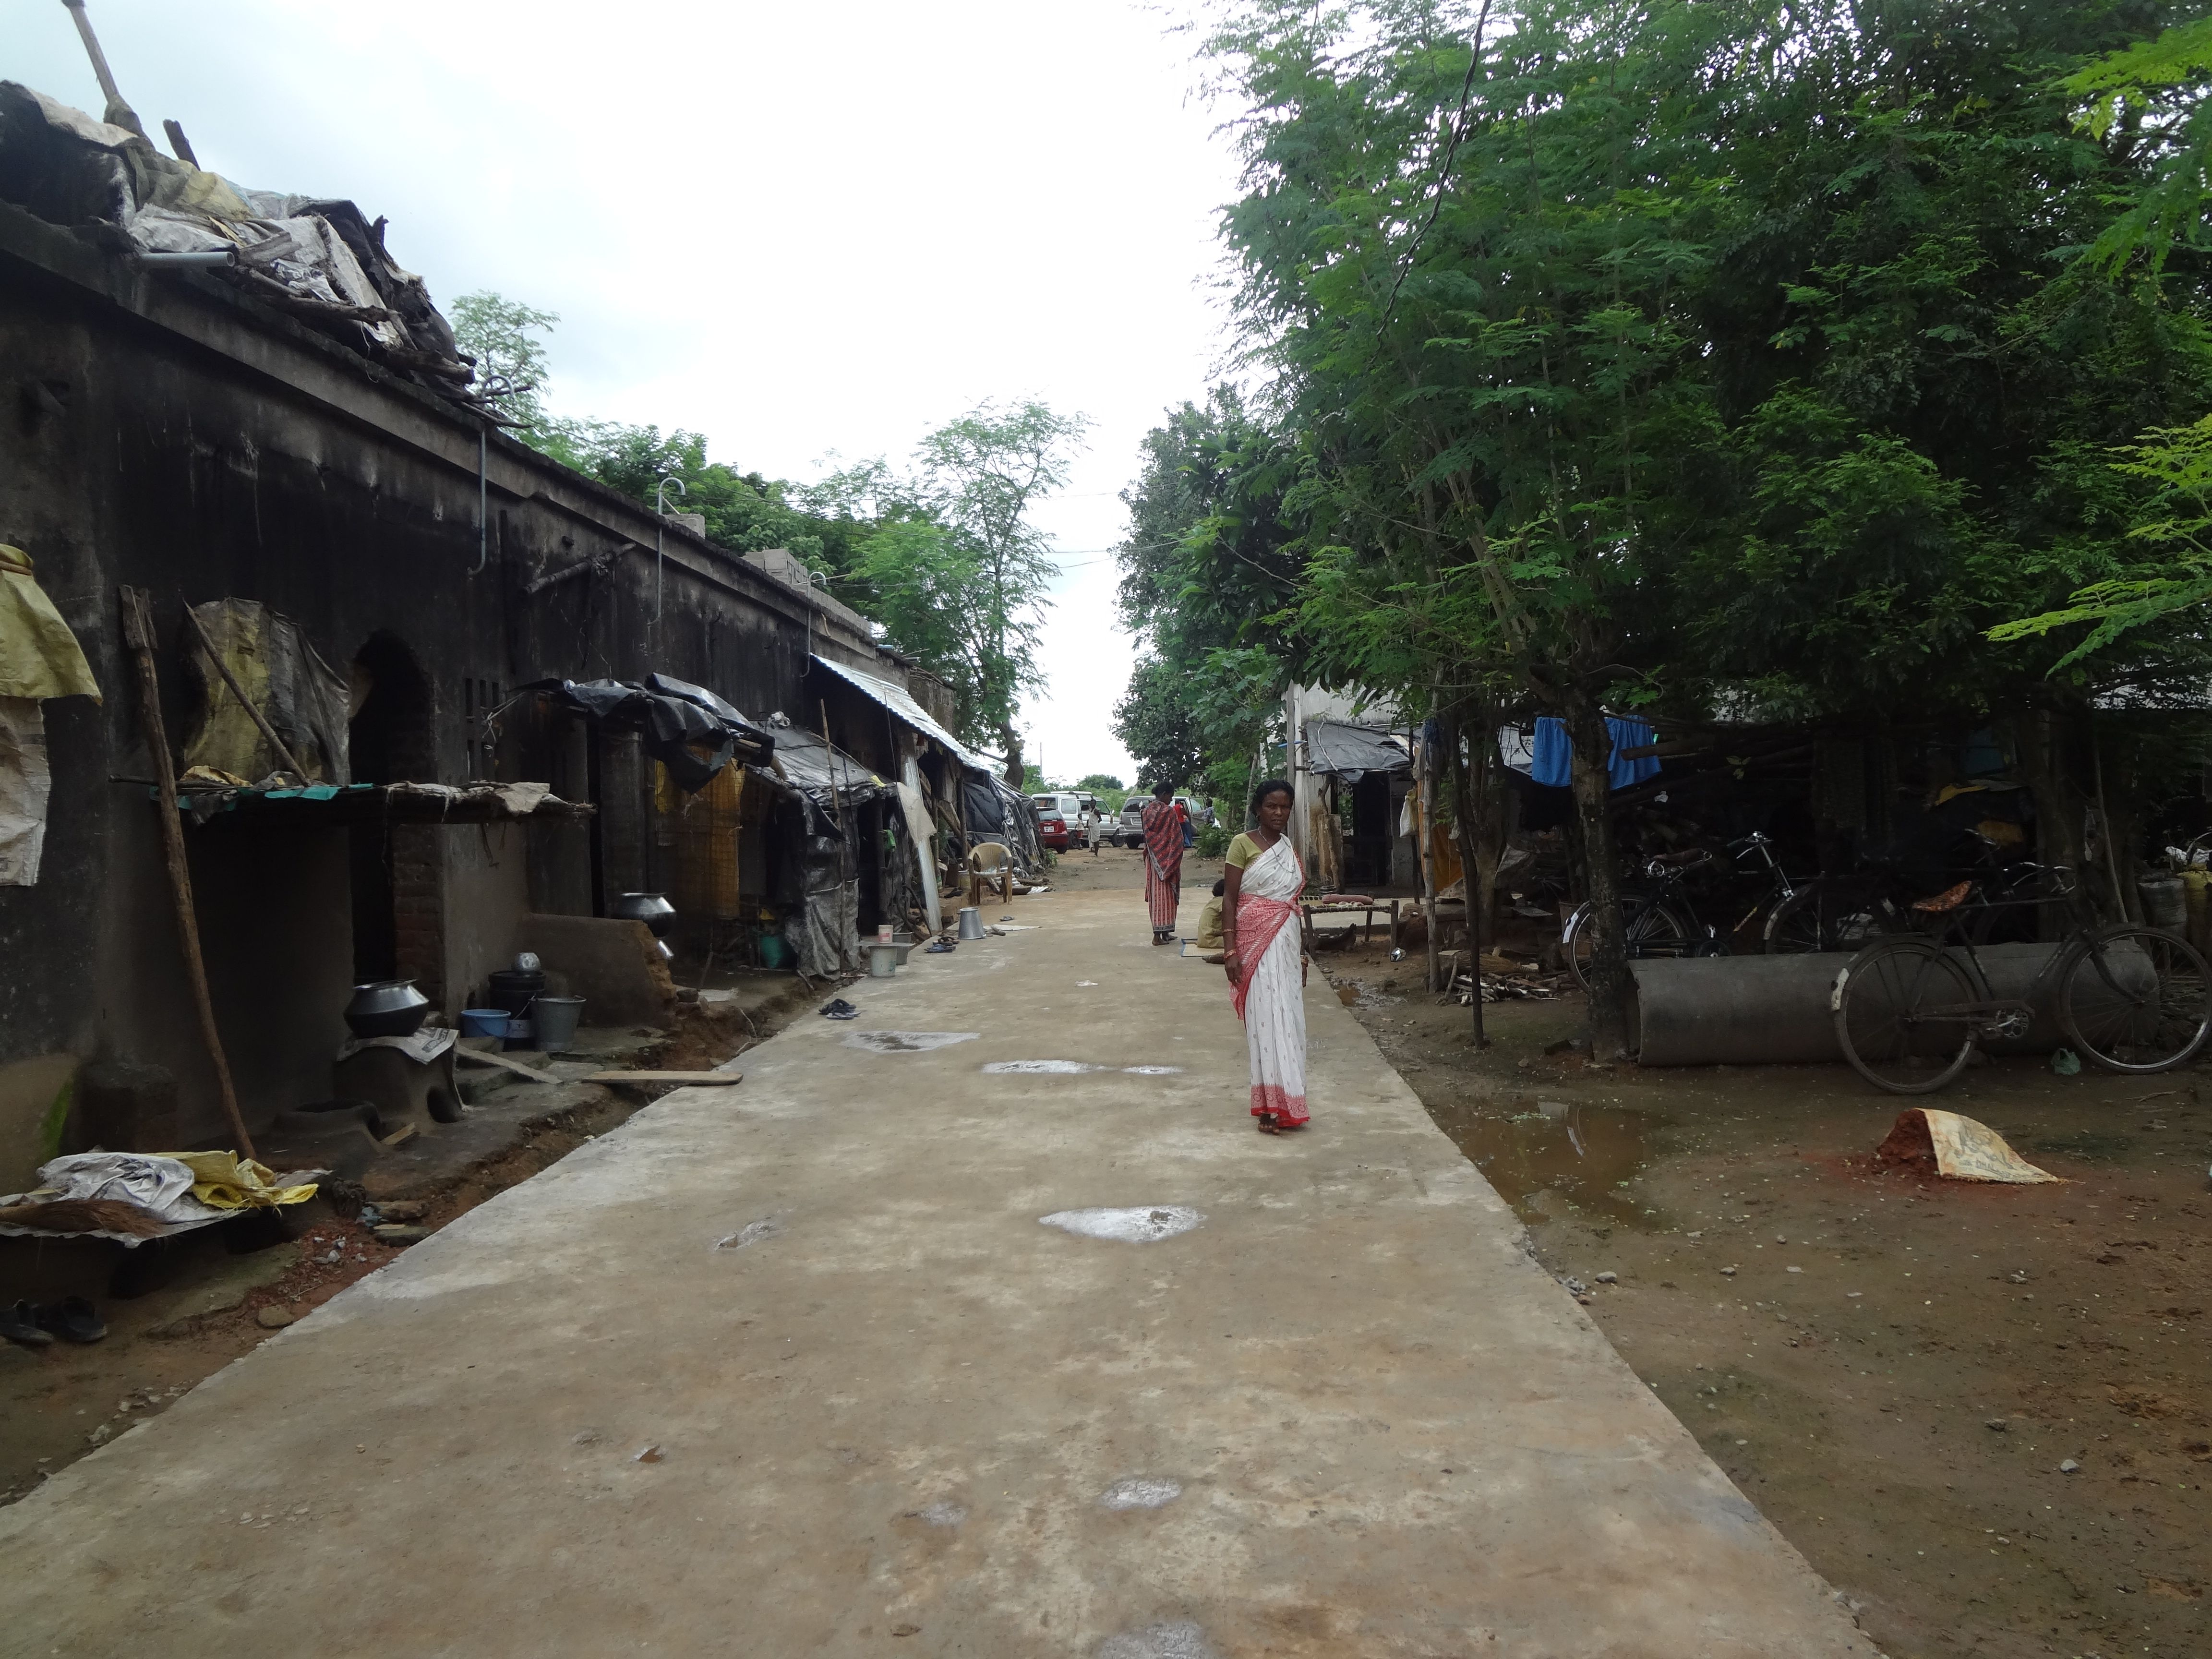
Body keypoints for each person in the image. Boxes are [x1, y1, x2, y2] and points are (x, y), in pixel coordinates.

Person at [1223, 779, 1310, 1133]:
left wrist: (1302, 956)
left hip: (1286, 940)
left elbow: (1292, 903)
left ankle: (1290, 1101)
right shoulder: (1241, 844)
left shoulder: (1288, 848)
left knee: (1289, 1019)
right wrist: (1230, 950)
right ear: (1258, 809)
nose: (1279, 813)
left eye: (1285, 807)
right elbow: (1230, 900)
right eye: (1272, 806)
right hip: (1253, 944)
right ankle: (1268, 1109)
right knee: (1265, 1022)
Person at [1139, 780, 1183, 945]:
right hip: (1169, 860)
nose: (1171, 801)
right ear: (1164, 794)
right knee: (1167, 897)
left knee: (1156, 896)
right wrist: (1173, 855)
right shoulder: (1169, 812)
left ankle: (1165, 934)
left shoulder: (1145, 812)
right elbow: (1176, 836)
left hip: (1153, 860)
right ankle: (1157, 937)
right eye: (1170, 797)